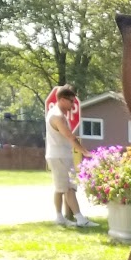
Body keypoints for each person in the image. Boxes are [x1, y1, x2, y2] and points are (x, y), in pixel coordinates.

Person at [45, 86, 88, 226]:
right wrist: (84, 151)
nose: (72, 104)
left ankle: (59, 217)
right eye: (71, 101)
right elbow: (70, 137)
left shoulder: (56, 114)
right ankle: (80, 219)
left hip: (57, 155)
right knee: (68, 188)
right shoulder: (57, 116)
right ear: (62, 100)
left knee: (60, 187)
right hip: (60, 156)